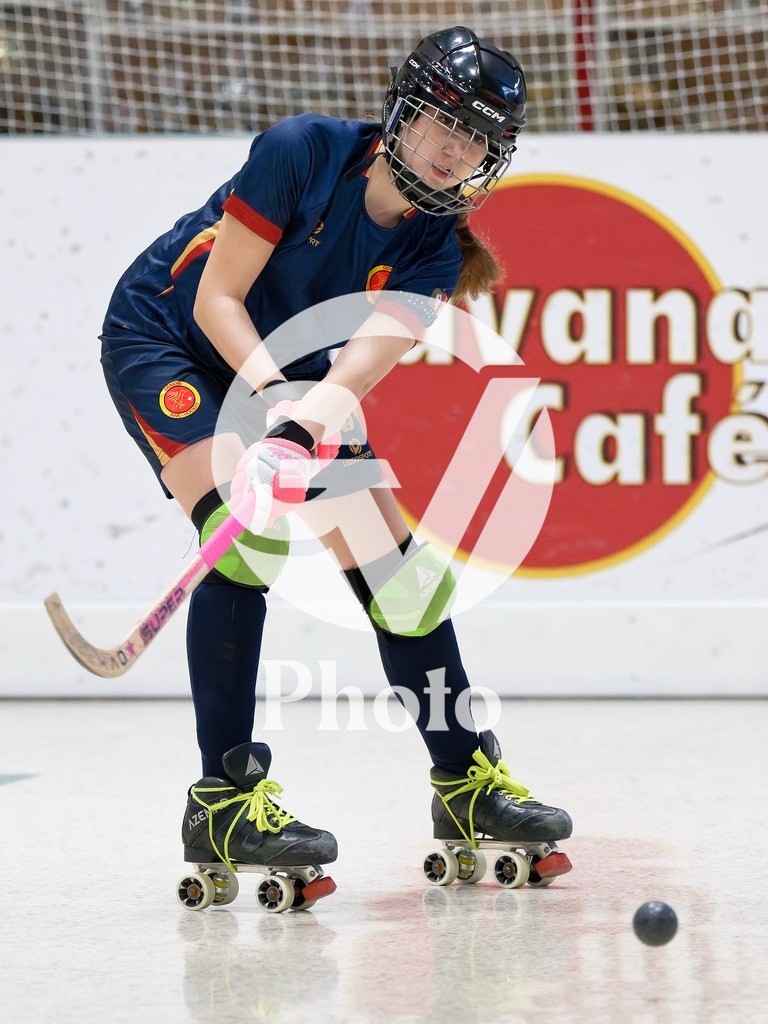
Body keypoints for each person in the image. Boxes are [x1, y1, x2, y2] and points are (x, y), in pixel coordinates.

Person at [100, 25, 572, 904]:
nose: (452, 149)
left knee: (402, 578)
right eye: (442, 121)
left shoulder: (433, 250)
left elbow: (351, 374)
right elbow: (218, 298)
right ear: (402, 108)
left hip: (297, 373)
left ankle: (467, 784)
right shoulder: (300, 151)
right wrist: (277, 406)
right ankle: (226, 802)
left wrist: (295, 418)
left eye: (476, 139)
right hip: (169, 339)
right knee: (247, 544)